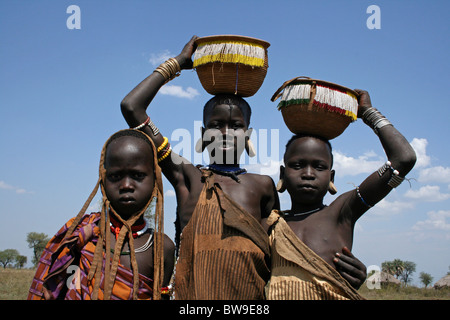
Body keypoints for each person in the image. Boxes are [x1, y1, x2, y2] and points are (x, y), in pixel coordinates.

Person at [120, 36, 368, 299]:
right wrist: (177, 64)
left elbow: (285, 251)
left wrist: (341, 271)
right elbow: (132, 107)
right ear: (204, 134)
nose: (226, 133)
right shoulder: (188, 177)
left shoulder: (262, 187)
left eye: (236, 126)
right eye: (216, 125)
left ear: (248, 135)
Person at [265, 90, 417, 300]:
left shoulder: (342, 212)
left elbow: (404, 159)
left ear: (331, 178)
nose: (308, 174)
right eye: (298, 165)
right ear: (282, 174)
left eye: (319, 167)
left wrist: (368, 113)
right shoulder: (271, 224)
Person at [28, 129, 174, 300]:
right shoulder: (80, 235)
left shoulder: (161, 247)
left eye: (138, 175)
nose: (126, 185)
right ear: (103, 180)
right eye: (115, 176)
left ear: (155, 180)